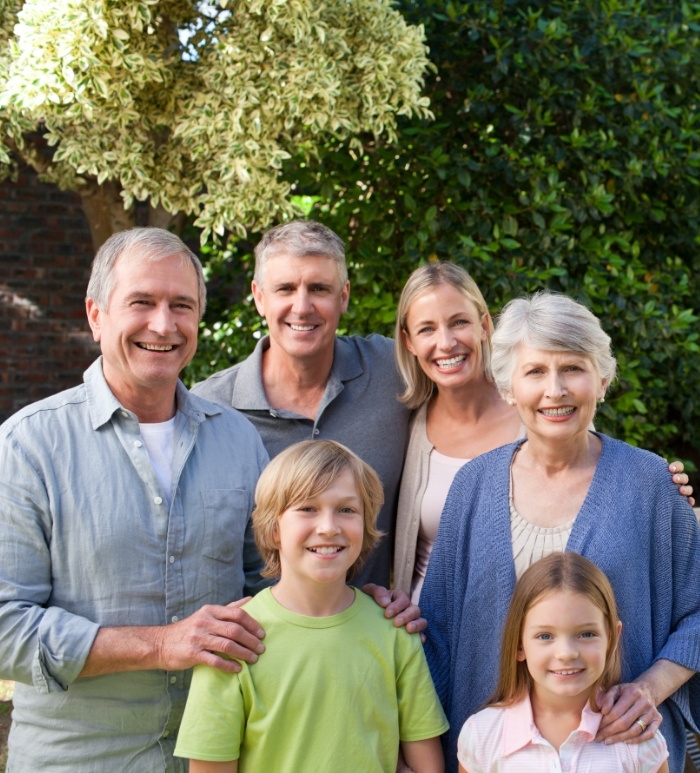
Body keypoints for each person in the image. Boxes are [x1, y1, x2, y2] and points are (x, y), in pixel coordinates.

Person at [0, 228, 271, 772]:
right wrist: (161, 645)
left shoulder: (240, 442)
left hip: (216, 757)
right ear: (96, 315)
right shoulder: (27, 445)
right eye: (141, 302)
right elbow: (6, 628)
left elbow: (271, 588)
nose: (164, 325)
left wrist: (363, 609)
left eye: (182, 306)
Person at [421, 291, 700, 773]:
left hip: (618, 752)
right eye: (535, 372)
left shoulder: (651, 483)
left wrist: (649, 689)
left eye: (573, 368)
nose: (556, 390)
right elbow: (437, 634)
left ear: (603, 380)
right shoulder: (472, 486)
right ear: (508, 386)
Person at [393, 263, 693, 602]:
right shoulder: (400, 423)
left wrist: (660, 489)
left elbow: (602, 483)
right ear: (409, 342)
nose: (446, 342)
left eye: (459, 321)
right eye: (427, 329)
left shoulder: (552, 415)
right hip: (427, 628)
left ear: (484, 325)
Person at [174, 440, 448, 773]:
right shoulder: (233, 640)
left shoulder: (394, 633)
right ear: (274, 529)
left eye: (347, 509)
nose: (329, 527)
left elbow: (427, 766)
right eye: (307, 508)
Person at [192, 220, 412, 593]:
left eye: (319, 288)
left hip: (369, 630)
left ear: (343, 296)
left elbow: (477, 387)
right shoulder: (210, 409)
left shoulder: (395, 370)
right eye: (285, 289)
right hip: (258, 641)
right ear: (259, 297)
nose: (302, 306)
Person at [457, 552, 669, 773]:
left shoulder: (639, 740)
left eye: (586, 634)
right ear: (519, 645)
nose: (566, 653)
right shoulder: (481, 735)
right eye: (545, 636)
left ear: (612, 639)